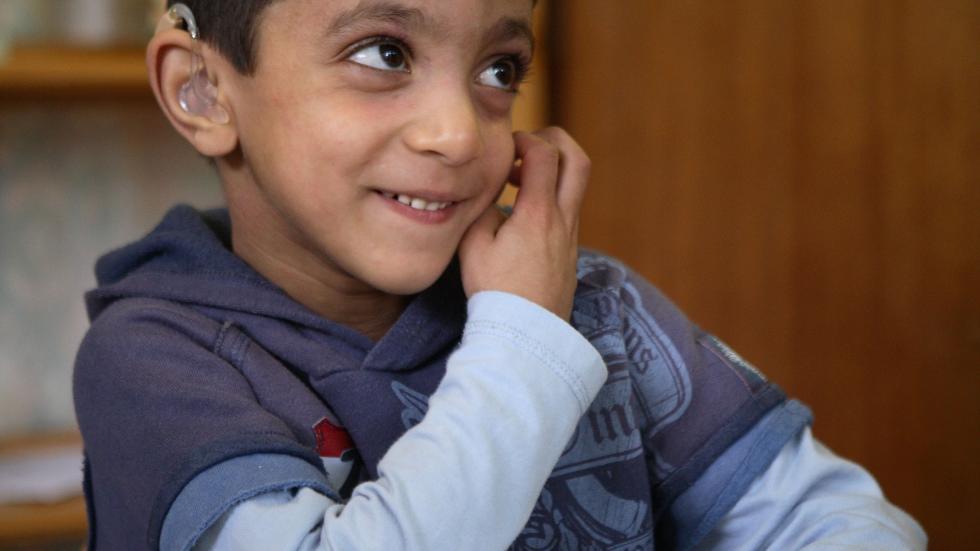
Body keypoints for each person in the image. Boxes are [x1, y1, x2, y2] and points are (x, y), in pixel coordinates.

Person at [72, 1, 926, 550]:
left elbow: (831, 519)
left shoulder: (594, 306)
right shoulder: (154, 361)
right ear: (203, 93)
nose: (458, 132)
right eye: (383, 52)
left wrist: (533, 321)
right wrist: (520, 342)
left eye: (498, 70)